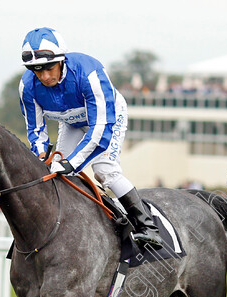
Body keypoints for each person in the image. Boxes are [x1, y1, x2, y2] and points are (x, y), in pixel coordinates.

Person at [18, 27, 162, 248]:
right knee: (53, 171)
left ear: (61, 60)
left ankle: (148, 227)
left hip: (107, 118)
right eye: (37, 70)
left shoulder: (89, 73)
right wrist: (41, 156)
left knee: (105, 172)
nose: (45, 77)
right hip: (72, 122)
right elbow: (36, 132)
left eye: (49, 68)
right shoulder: (27, 86)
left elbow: (100, 131)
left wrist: (72, 163)